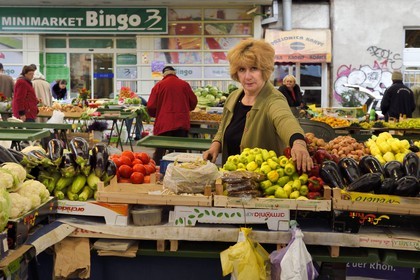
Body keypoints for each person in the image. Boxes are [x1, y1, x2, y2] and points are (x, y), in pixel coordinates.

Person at [202, 38, 313, 173]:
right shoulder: (233, 97)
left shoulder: (273, 99)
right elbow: (223, 127)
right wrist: (216, 144)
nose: (247, 76)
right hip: (230, 180)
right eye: (242, 69)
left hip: (262, 184)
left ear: (264, 70)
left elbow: (284, 119)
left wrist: (298, 142)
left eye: (254, 68)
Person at [147, 66, 198, 165]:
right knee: (181, 152)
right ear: (175, 73)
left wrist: (156, 114)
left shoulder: (158, 86)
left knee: (160, 150)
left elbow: (150, 106)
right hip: (181, 122)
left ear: (163, 74)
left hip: (164, 124)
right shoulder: (184, 85)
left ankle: (157, 170)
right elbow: (193, 102)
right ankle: (182, 170)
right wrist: (186, 108)